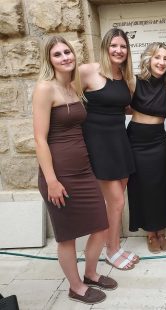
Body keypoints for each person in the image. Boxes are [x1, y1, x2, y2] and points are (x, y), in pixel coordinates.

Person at [33, 35, 117, 304]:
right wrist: (51, 180)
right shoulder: (44, 89)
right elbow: (39, 139)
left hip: (83, 170)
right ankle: (76, 286)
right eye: (57, 54)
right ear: (50, 60)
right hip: (59, 174)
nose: (65, 57)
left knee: (101, 225)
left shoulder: (73, 86)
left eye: (67, 52)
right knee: (67, 236)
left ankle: (91, 273)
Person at [79, 28, 138, 270]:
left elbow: (123, 107)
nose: (118, 50)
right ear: (105, 47)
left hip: (119, 140)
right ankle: (111, 251)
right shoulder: (87, 71)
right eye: (114, 45)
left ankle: (113, 246)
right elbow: (66, 100)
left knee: (117, 201)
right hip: (97, 143)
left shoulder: (124, 75)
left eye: (123, 46)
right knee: (115, 201)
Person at [126, 42, 166, 253]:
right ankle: (150, 233)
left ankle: (161, 229)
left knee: (160, 184)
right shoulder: (134, 81)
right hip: (136, 138)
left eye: (165, 58)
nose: (161, 62)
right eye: (157, 57)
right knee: (142, 186)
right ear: (148, 59)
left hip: (157, 138)